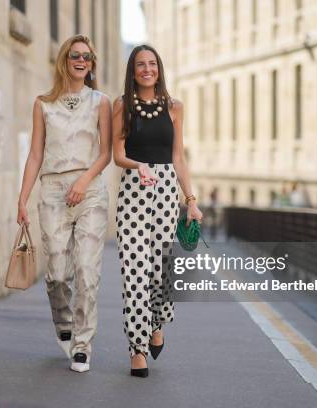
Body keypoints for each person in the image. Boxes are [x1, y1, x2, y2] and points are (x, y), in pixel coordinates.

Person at [16, 35, 112, 373]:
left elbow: (106, 153)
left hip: (91, 190)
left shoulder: (101, 101)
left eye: (87, 56)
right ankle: (64, 321)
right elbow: (35, 154)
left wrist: (84, 182)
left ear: (92, 63)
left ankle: (83, 345)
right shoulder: (43, 103)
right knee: (57, 272)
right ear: (64, 60)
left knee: (87, 271)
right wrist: (22, 198)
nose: (82, 60)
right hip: (53, 189)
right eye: (76, 55)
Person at [112, 44, 203, 377]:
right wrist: (139, 166)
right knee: (134, 270)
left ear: (159, 69)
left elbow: (179, 157)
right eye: (140, 64)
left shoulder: (175, 107)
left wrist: (190, 200)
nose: (147, 69)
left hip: (166, 192)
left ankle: (157, 323)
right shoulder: (122, 105)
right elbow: (117, 153)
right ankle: (137, 348)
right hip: (134, 191)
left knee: (161, 268)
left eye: (152, 64)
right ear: (132, 70)